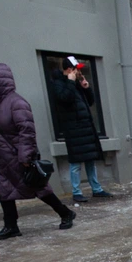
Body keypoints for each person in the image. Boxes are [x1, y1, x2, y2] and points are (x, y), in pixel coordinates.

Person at [0, 63, 75, 240]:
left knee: (39, 189)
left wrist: (25, 157)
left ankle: (65, 213)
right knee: (4, 192)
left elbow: (27, 131)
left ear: (0, 80)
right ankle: (11, 226)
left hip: (17, 158)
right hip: (2, 159)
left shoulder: (16, 103)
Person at [51, 57, 111, 202]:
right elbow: (65, 98)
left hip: (86, 128)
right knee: (75, 163)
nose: (79, 71)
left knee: (91, 160)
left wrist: (86, 88)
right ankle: (76, 192)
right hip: (73, 130)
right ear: (70, 69)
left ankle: (96, 189)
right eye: (77, 68)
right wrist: (71, 82)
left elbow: (90, 102)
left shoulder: (77, 84)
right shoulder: (59, 84)